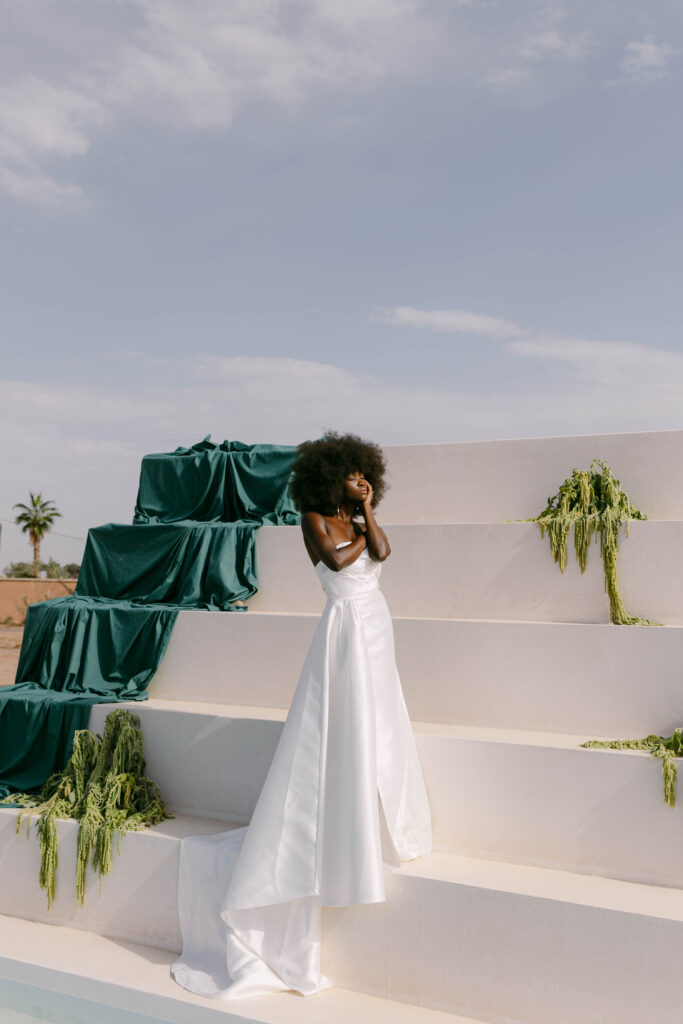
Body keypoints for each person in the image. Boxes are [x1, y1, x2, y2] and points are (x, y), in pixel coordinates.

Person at [171, 431, 432, 1000]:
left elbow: (384, 552)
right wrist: (359, 529)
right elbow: (339, 563)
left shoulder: (359, 518)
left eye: (363, 477)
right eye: (350, 476)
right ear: (329, 475)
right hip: (342, 630)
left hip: (376, 626)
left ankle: (385, 822)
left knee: (382, 723)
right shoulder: (313, 519)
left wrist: (366, 512)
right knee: (344, 725)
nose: (356, 481)